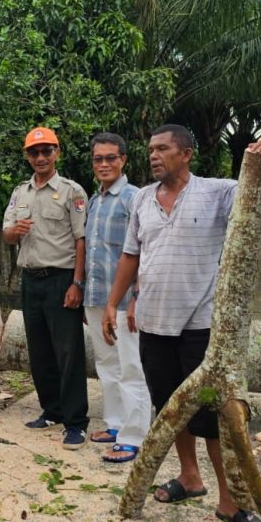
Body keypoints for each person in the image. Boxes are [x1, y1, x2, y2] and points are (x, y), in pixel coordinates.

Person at [102, 124, 261, 522]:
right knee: (170, 408)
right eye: (151, 149)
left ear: (185, 154)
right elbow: (132, 256)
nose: (153, 156)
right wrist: (115, 302)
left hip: (201, 326)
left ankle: (231, 501)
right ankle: (189, 478)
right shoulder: (142, 200)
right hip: (153, 324)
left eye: (163, 148)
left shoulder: (218, 191)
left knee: (212, 418)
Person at [1, 126, 90, 449]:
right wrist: (15, 231)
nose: (40, 157)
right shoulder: (19, 193)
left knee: (69, 352)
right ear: (27, 157)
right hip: (32, 280)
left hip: (61, 279)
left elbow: (82, 240)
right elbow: (7, 234)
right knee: (39, 350)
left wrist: (77, 283)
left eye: (46, 151)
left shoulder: (72, 191)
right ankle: (51, 410)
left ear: (57, 153)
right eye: (34, 152)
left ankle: (76, 421)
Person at [82, 132, 152, 463]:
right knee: (106, 364)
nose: (105, 164)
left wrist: (136, 295)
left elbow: (143, 250)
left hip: (123, 302)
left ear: (123, 160)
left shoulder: (134, 198)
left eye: (111, 158)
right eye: (99, 158)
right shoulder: (95, 201)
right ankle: (114, 423)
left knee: (131, 367)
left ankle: (134, 436)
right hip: (96, 298)